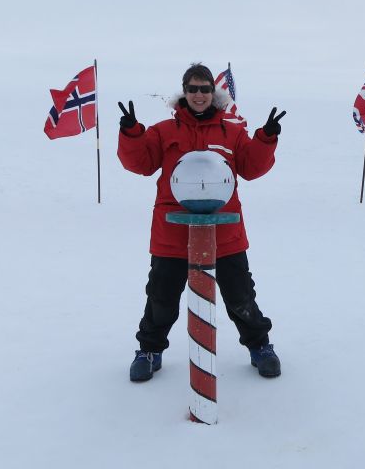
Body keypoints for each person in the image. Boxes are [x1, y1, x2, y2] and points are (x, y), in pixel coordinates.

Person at [117, 63, 285, 382]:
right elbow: (139, 163)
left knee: (240, 296)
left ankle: (260, 347)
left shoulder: (232, 131)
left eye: (204, 89)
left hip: (225, 233)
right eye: (192, 89)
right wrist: (132, 133)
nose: (198, 95)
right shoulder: (163, 131)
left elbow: (251, 167)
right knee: (161, 297)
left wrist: (266, 139)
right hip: (172, 234)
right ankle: (149, 350)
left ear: (213, 92)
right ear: (185, 92)